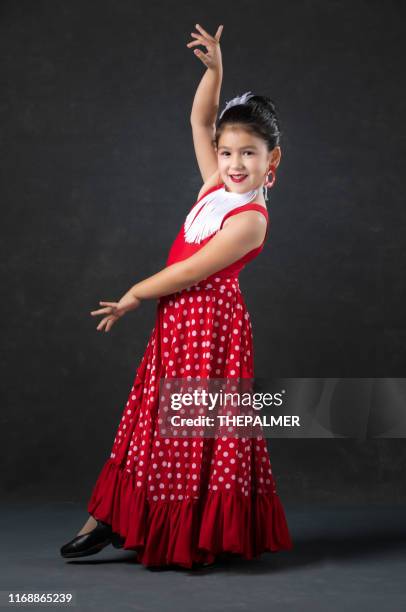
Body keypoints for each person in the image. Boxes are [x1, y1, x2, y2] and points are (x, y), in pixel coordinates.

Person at [60, 22, 293, 569]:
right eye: (228, 152)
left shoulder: (251, 219)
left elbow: (191, 270)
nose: (235, 164)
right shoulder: (215, 185)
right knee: (148, 419)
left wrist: (134, 293)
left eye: (249, 155)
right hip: (178, 323)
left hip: (209, 326)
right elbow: (200, 119)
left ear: (271, 161)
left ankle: (187, 532)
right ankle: (114, 518)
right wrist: (214, 71)